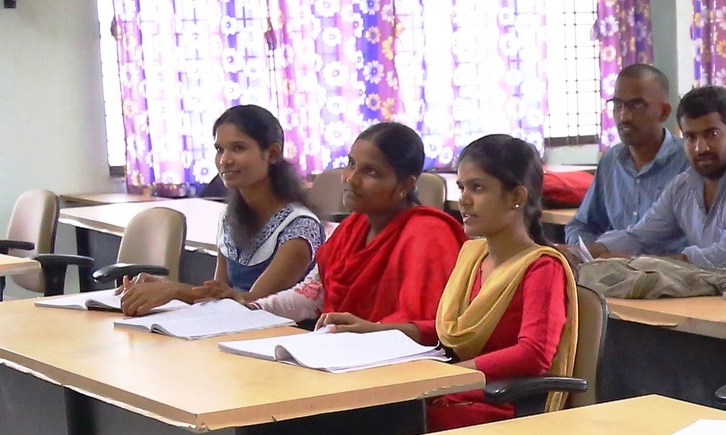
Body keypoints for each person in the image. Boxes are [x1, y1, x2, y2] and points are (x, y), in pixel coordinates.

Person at [426, 134, 578, 431]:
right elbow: (456, 326)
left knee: (400, 419)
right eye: (461, 187)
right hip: (461, 388)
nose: (464, 200)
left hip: (501, 401)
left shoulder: (542, 267)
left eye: (478, 188)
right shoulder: (473, 255)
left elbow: (533, 354)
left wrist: (453, 375)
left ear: (517, 198)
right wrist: (382, 330)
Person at [115, 102, 323, 316]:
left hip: (278, 337)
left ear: (272, 154)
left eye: (238, 148)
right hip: (233, 330)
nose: (225, 160)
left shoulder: (300, 228)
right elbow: (216, 292)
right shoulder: (230, 217)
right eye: (219, 149)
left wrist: (175, 289)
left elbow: (255, 304)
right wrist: (160, 287)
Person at [259, 123, 466, 334]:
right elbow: (312, 296)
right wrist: (254, 308)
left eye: (371, 172)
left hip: (404, 360)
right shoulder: (352, 227)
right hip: (343, 350)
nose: (351, 179)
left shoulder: (428, 235)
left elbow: (434, 327)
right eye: (351, 164)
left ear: (405, 185)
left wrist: (369, 331)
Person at [588, 85, 726, 278]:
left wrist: (641, 264)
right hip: (723, 301)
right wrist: (589, 253)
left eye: (711, 135)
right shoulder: (682, 186)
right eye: (690, 137)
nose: (700, 148)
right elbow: (640, 237)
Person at [564, 63, 686, 255]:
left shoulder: (688, 162)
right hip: (614, 274)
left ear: (664, 112)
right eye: (617, 105)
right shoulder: (611, 161)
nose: (624, 116)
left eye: (637, 105)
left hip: (672, 276)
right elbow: (582, 225)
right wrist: (588, 254)